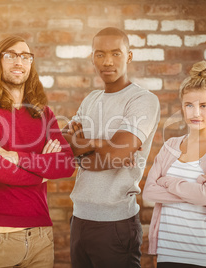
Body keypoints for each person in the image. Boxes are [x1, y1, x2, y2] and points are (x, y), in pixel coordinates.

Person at [0, 35, 76, 268]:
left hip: (41, 237)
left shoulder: (44, 113)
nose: (19, 61)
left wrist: (16, 157)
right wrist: (43, 169)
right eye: (11, 55)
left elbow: (66, 165)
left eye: (25, 56)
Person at [63, 27, 160, 267]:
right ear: (92, 57)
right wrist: (101, 148)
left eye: (116, 53)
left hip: (116, 224)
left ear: (129, 56)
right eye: (100, 54)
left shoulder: (142, 100)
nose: (107, 61)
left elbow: (116, 155)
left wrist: (85, 147)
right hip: (79, 219)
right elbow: (66, 144)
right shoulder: (90, 99)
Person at [143, 60, 206, 268]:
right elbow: (148, 193)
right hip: (168, 255)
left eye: (203, 106)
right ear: (182, 106)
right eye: (189, 105)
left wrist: (168, 182)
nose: (195, 113)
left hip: (203, 256)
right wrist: (194, 192)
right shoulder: (170, 146)